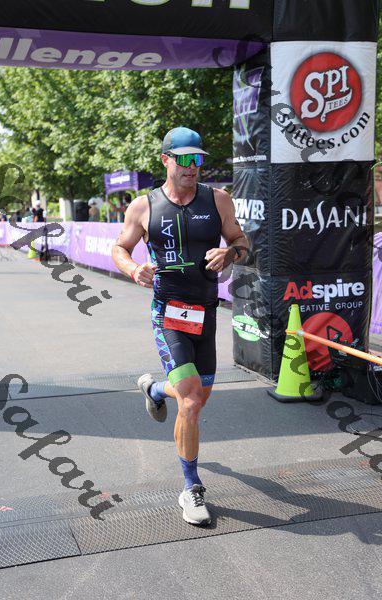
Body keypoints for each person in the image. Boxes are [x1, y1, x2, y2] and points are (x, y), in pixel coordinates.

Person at [112, 127, 248, 526]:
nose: (192, 167)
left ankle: (155, 389)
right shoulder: (144, 206)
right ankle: (191, 487)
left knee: (198, 397)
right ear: (166, 160)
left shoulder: (218, 199)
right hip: (168, 313)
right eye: (184, 159)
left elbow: (242, 242)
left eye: (198, 159)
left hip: (206, 312)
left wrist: (229, 253)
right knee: (189, 401)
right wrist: (133, 268)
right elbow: (120, 248)